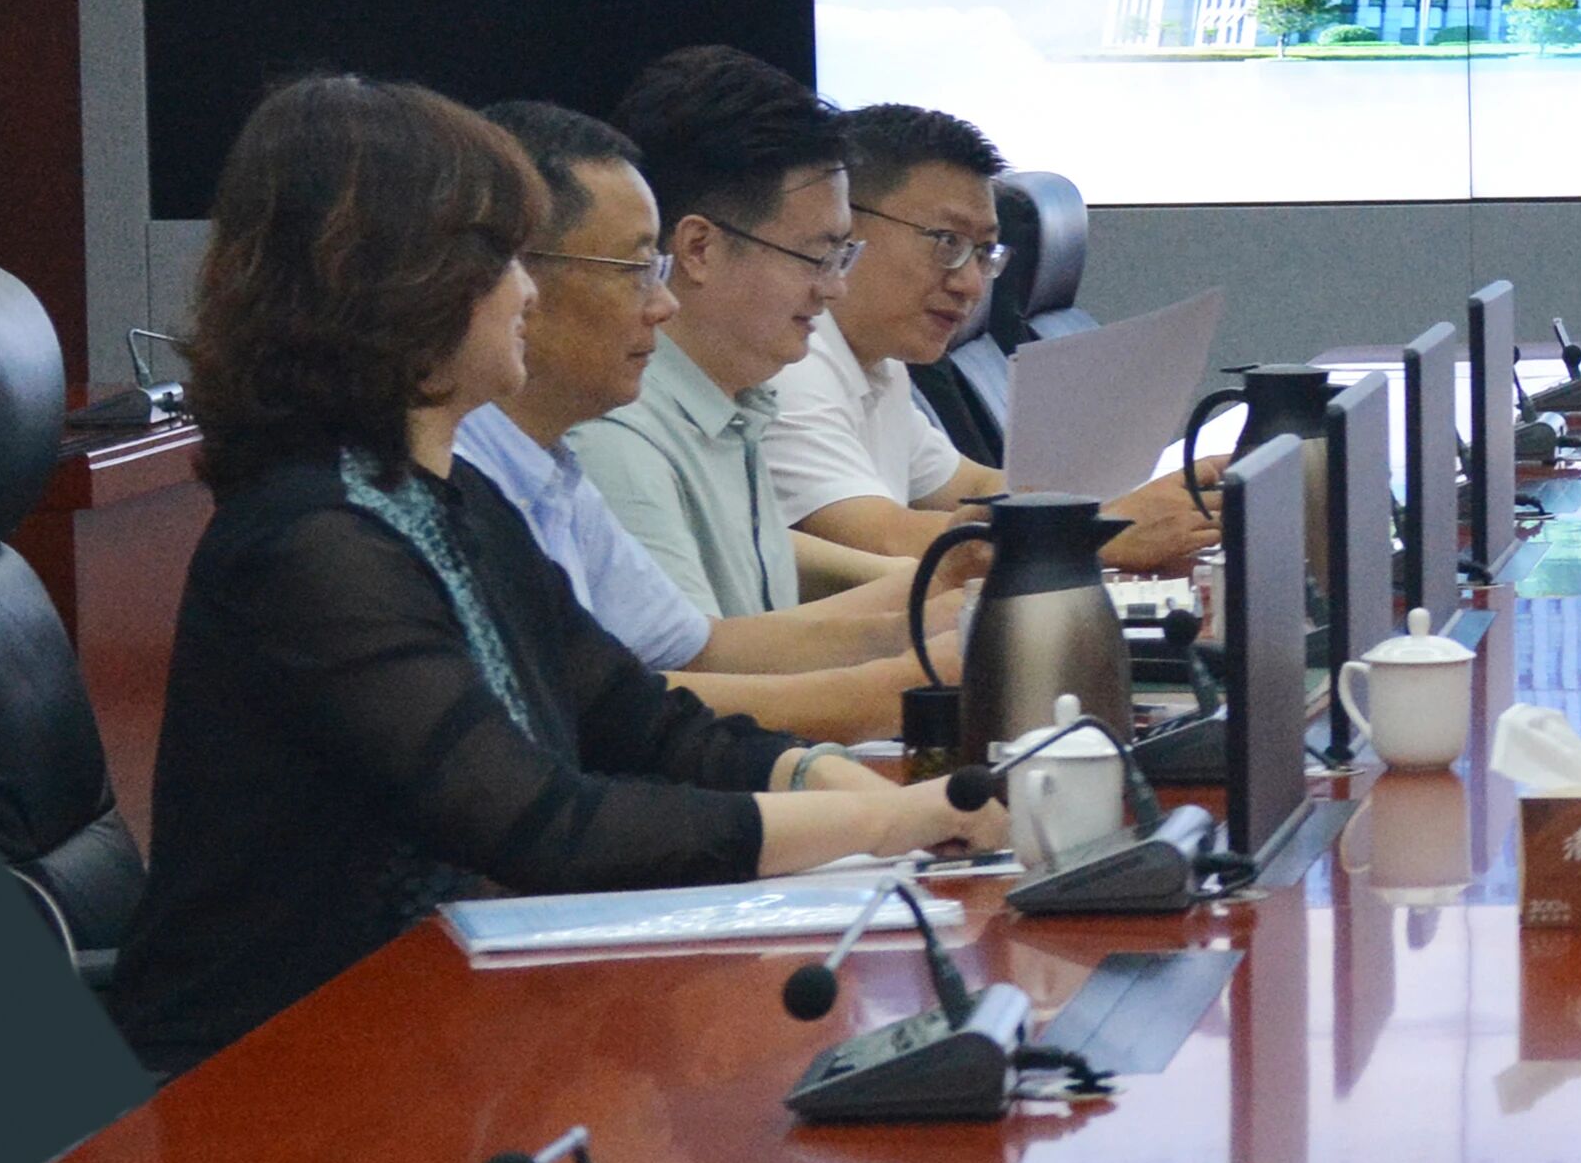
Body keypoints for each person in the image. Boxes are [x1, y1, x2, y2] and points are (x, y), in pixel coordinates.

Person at [108, 76, 998, 1073]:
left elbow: (641, 718)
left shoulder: (451, 498)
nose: (527, 291)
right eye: (502, 259)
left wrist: (814, 774)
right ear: (406, 284)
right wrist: (883, 816)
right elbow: (541, 823)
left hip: (434, 1028)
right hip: (272, 1074)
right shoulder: (316, 544)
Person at [454, 103, 948, 741]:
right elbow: (639, 714)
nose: (662, 305)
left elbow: (696, 649)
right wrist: (907, 678)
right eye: (637, 271)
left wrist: (935, 618)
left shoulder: (555, 463)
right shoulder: (587, 445)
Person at [768, 102, 1214, 574]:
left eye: (983, 253)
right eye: (947, 242)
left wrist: (1151, 501)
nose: (973, 286)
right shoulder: (792, 367)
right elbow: (883, 536)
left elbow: (976, 487)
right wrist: (1103, 533)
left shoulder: (877, 360)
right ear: (843, 227)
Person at [565, 46, 864, 619]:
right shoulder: (618, 431)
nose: (835, 288)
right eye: (816, 257)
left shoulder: (733, 397)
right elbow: (696, 662)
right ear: (699, 248)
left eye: (842, 256)